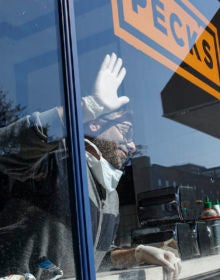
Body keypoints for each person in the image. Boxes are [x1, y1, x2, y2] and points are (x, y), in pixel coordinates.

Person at [0, 53, 181, 279]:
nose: (132, 146)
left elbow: (96, 258)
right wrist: (86, 107)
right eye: (126, 132)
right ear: (94, 125)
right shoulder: (56, 161)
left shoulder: (110, 194)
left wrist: (138, 253)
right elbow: (5, 149)